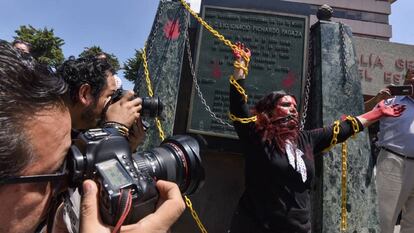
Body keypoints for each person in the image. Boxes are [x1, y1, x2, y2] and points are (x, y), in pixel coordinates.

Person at [0, 40, 185, 233]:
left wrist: (126, 145)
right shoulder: (43, 133)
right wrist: (114, 129)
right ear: (85, 93)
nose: (64, 185)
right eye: (111, 97)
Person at [227, 42, 406, 233]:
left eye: (295, 106)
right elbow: (238, 106)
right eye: (286, 105)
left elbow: (343, 129)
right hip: (256, 227)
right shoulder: (257, 136)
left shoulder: (305, 139)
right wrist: (240, 66)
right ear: (270, 111)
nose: (293, 110)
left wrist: (377, 113)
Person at [57, 56, 145, 151]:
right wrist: (116, 128)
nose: (112, 104)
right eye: (110, 95)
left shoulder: (75, 128)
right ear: (85, 94)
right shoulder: (48, 131)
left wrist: (129, 146)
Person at [372, 68, 414, 233]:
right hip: (393, 162)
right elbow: (360, 113)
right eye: (410, 81)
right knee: (385, 219)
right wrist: (377, 99)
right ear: (404, 81)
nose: (412, 84)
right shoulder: (390, 101)